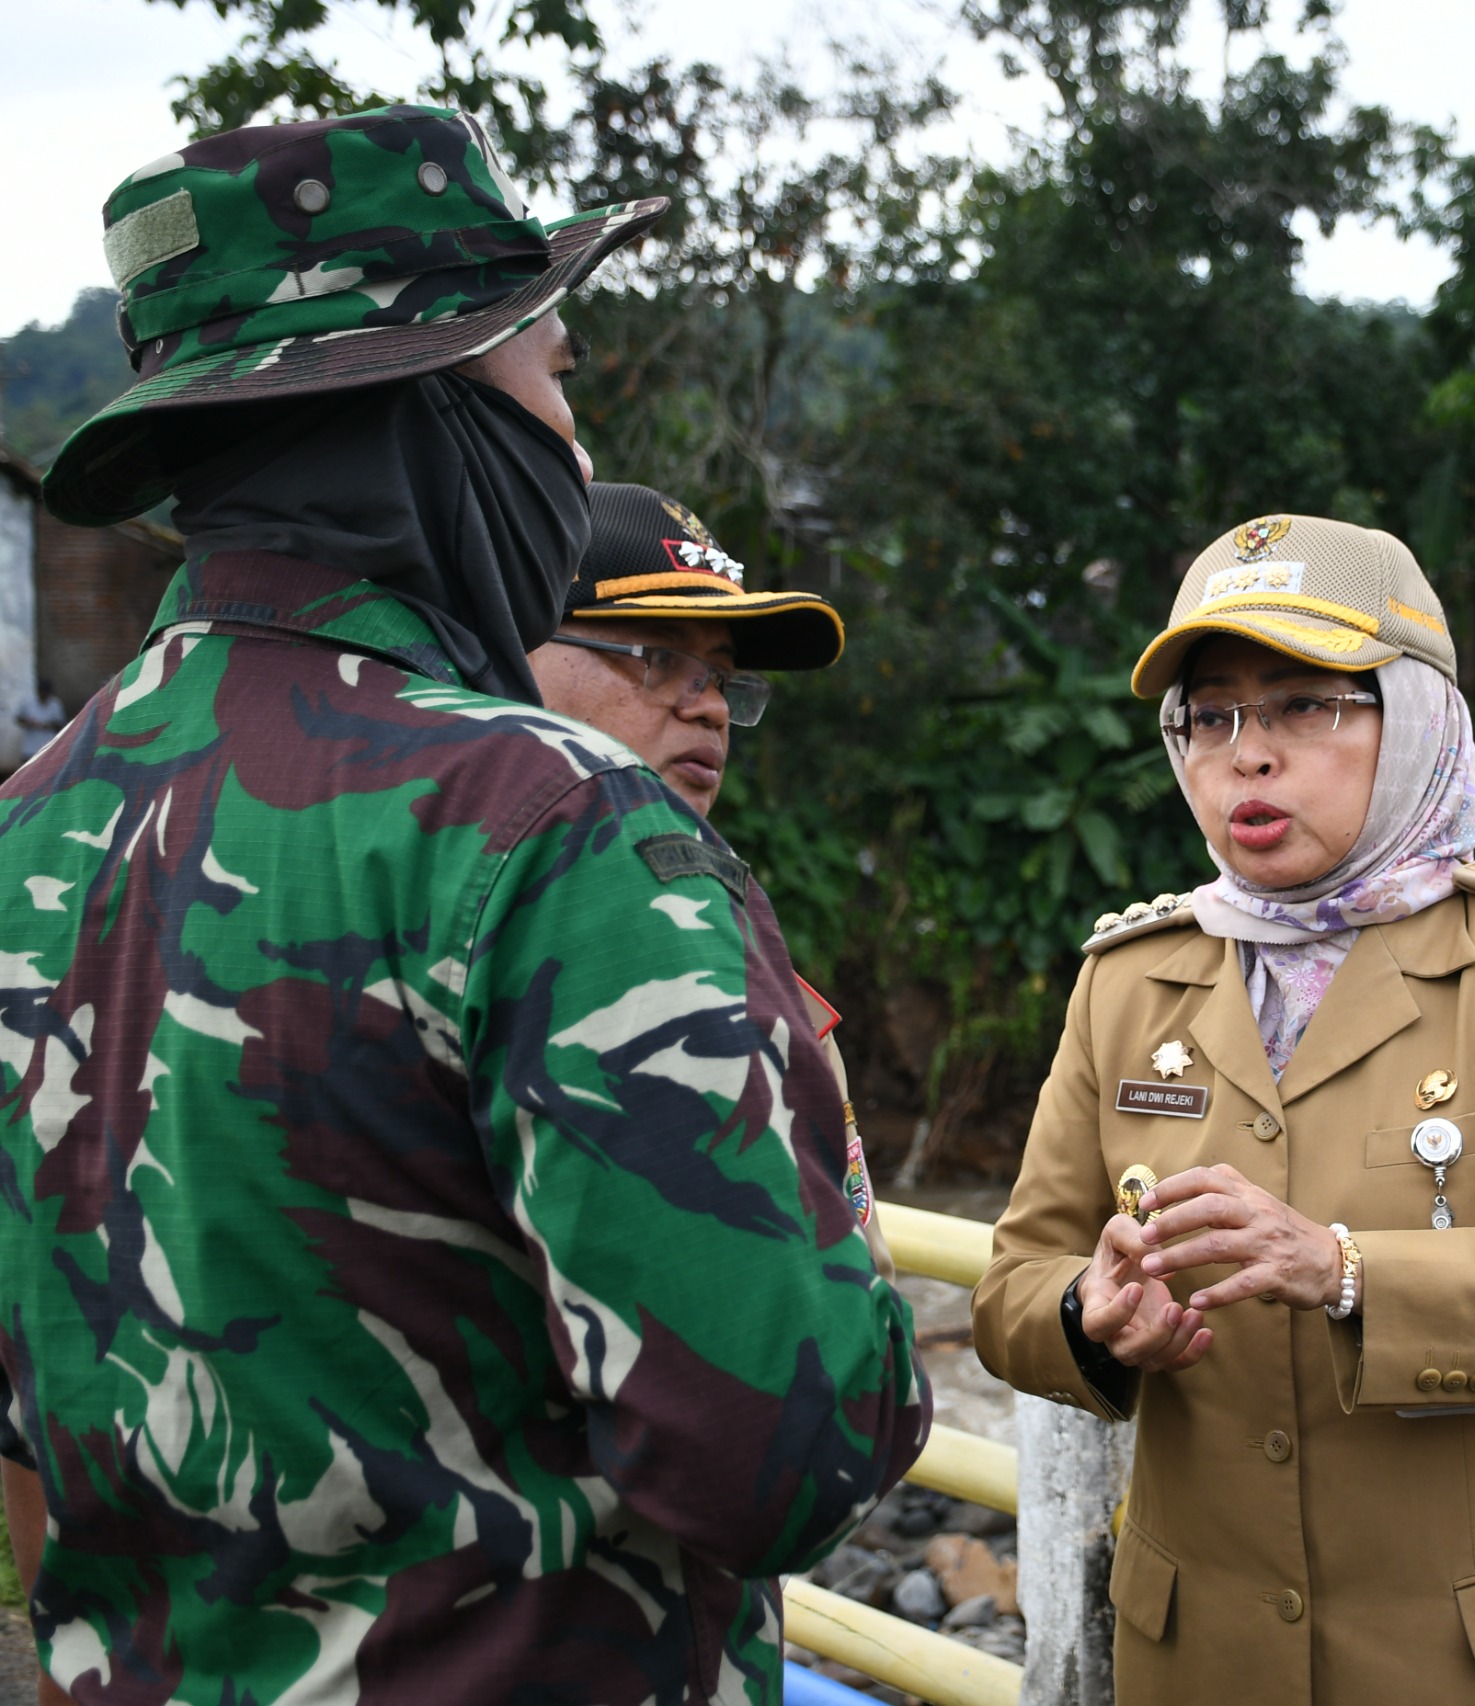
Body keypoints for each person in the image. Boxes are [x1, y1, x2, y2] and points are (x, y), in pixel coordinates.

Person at [0, 106, 922, 1705]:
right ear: (432, 406)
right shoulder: (549, 822)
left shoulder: (26, 825)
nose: (572, 445)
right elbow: (783, 1444)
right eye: (555, 374)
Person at [973, 514, 1475, 1702]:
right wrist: (1088, 1309)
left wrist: (1345, 1266)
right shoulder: (1127, 977)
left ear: (1411, 717)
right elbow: (1013, 1285)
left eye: (1304, 702)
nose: (1246, 755)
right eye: (1211, 715)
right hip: (1208, 1660)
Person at [530, 481, 890, 1261]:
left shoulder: (776, 991)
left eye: (721, 676)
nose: (712, 709)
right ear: (517, 647)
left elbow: (861, 1273)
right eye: (659, 656)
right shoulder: (424, 929)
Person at [11, 679, 64, 763]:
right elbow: (18, 718)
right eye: (42, 693)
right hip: (29, 749)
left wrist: (50, 725)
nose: (44, 695)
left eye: (46, 693)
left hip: (47, 747)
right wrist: (28, 722)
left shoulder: (55, 704)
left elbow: (61, 724)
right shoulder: (27, 701)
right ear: (38, 691)